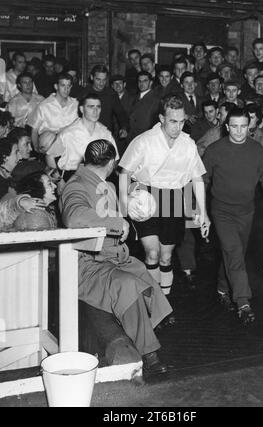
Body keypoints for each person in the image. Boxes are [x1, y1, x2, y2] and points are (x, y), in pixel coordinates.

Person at [61, 139, 172, 375]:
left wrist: (132, 201)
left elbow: (116, 213)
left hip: (112, 258)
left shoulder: (105, 185)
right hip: (88, 265)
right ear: (112, 163)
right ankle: (149, 354)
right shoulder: (76, 186)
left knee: (142, 272)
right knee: (128, 284)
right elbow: (75, 217)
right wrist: (115, 222)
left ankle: (149, 324)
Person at [119, 95, 210, 300]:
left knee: (166, 257)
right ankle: (154, 305)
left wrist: (203, 213)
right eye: (172, 121)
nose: (177, 127)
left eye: (181, 122)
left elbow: (197, 179)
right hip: (146, 196)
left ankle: (164, 301)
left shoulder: (188, 144)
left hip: (174, 199)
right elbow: (124, 173)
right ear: (161, 118)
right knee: (152, 254)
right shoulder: (144, 141)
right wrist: (124, 207)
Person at [203, 107, 263, 324]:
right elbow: (202, 181)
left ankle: (223, 288)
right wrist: (199, 211)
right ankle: (243, 302)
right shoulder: (214, 150)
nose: (239, 131)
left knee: (233, 253)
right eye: (234, 127)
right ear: (227, 127)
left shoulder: (257, 150)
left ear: (249, 127)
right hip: (221, 211)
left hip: (246, 212)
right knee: (235, 252)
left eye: (243, 127)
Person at [46, 93, 118, 175]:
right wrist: (59, 180)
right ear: (81, 109)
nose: (95, 111)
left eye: (98, 107)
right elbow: (50, 157)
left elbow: (114, 159)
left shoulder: (105, 133)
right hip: (72, 176)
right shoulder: (68, 133)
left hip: (98, 177)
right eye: (91, 107)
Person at [27, 72, 78, 153]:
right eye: (63, 85)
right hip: (50, 149)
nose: (66, 89)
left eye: (68, 86)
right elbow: (34, 130)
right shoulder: (44, 106)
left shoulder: (76, 105)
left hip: (71, 150)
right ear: (56, 86)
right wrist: (37, 149)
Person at [82, 64, 129, 138]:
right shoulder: (84, 93)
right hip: (86, 134)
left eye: (104, 80)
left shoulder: (111, 94)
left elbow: (121, 113)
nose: (101, 83)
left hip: (105, 134)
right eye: (98, 79)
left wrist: (124, 128)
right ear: (92, 77)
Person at [128, 71, 160, 142]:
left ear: (151, 82)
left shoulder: (156, 99)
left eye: (145, 81)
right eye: (139, 81)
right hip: (132, 138)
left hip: (146, 138)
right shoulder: (134, 98)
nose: (141, 84)